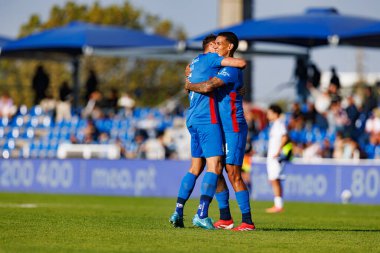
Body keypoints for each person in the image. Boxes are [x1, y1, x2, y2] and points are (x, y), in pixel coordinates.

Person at [169, 34, 246, 230]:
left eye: (221, 44)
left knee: (195, 168)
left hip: (192, 119)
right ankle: (202, 214)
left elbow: (195, 85)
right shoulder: (212, 59)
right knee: (215, 167)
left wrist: (188, 81)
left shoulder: (194, 63)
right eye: (217, 44)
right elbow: (240, 63)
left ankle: (178, 211)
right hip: (208, 120)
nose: (218, 47)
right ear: (212, 46)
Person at [265, 104, 289, 213]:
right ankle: (278, 204)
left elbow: (284, 137)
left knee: (275, 180)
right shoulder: (274, 124)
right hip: (272, 157)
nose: (267, 115)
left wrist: (278, 151)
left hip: (276, 157)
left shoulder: (279, 124)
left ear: (275, 113)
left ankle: (278, 206)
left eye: (269, 113)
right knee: (274, 180)